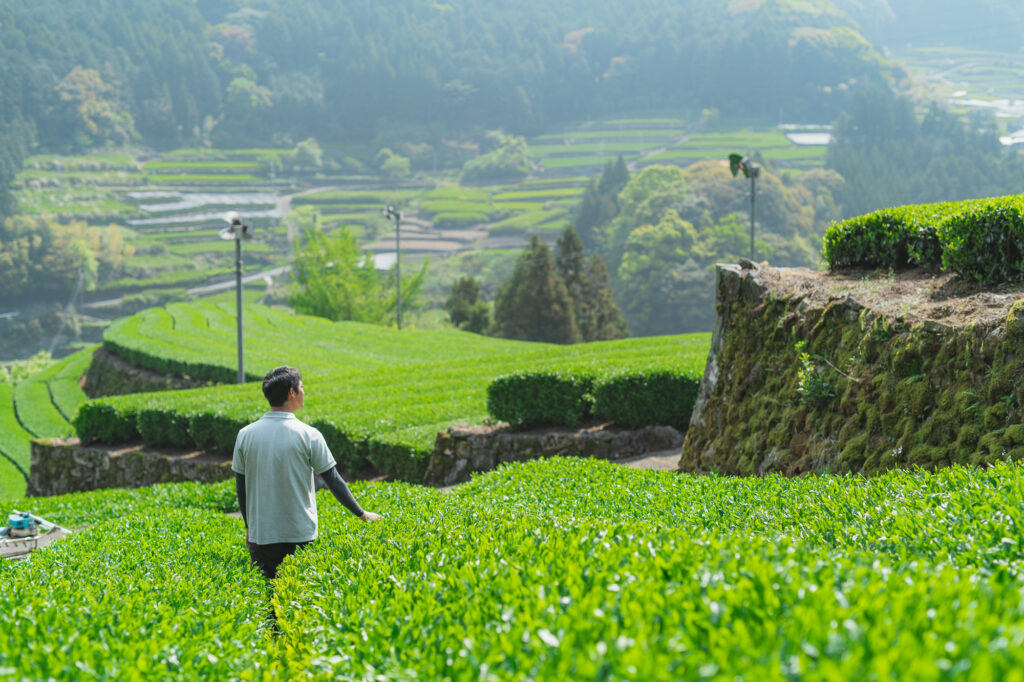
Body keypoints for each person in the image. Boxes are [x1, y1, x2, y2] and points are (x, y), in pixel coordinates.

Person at [232, 365, 379, 580]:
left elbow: (241, 487)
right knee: (298, 601)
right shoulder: (308, 435)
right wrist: (361, 513)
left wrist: (249, 527)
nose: (303, 392)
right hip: (300, 534)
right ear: (291, 393)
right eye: (301, 387)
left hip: (261, 535)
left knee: (265, 602)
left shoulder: (245, 435)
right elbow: (334, 480)